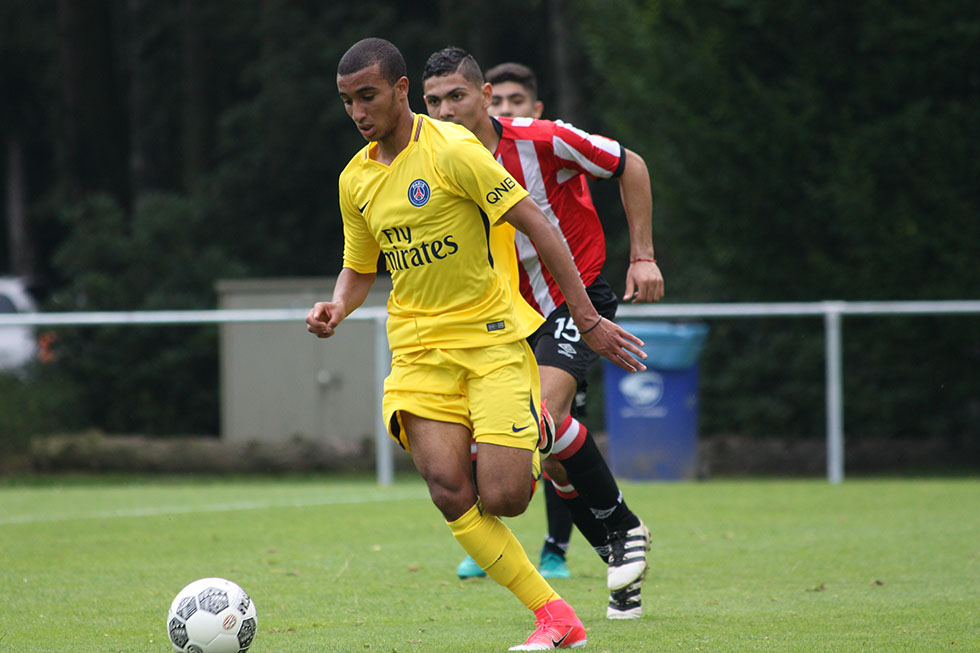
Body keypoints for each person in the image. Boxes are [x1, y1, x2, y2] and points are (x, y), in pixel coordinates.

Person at [307, 37, 649, 650]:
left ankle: (538, 431)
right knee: (448, 488)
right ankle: (555, 617)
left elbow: (538, 226)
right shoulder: (354, 180)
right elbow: (360, 267)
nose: (358, 112)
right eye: (347, 101)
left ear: (400, 90)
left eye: (368, 96)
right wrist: (338, 304)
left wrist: (588, 318)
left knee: (506, 496)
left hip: (491, 339)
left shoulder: (455, 150)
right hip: (416, 351)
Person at [421, 50, 665, 620]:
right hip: (505, 325)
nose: (445, 110)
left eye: (457, 96)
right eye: (433, 101)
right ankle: (619, 539)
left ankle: (620, 536)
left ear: (485, 97)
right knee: (550, 457)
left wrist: (644, 257)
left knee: (541, 424)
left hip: (571, 304)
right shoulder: (431, 162)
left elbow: (630, 163)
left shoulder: (542, 139)